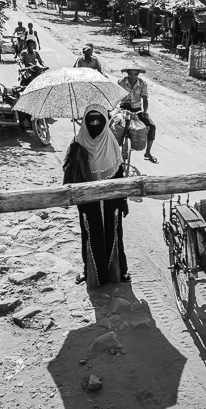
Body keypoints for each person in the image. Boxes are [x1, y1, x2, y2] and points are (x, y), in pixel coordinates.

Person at [63, 104, 130, 287]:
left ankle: (119, 271)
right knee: (90, 233)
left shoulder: (111, 142)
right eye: (90, 120)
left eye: (98, 120)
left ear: (105, 122)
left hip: (111, 198)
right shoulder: (78, 142)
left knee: (114, 231)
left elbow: (119, 173)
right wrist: (74, 153)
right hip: (87, 198)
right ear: (84, 123)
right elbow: (69, 172)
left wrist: (123, 200)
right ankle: (90, 271)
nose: (94, 124)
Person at [118, 65, 157, 163]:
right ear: (127, 74)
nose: (133, 76)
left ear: (138, 74)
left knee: (151, 126)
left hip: (137, 109)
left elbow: (145, 99)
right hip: (123, 108)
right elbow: (117, 96)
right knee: (110, 122)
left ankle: (148, 153)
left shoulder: (142, 83)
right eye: (130, 74)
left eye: (135, 74)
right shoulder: (121, 82)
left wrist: (145, 111)